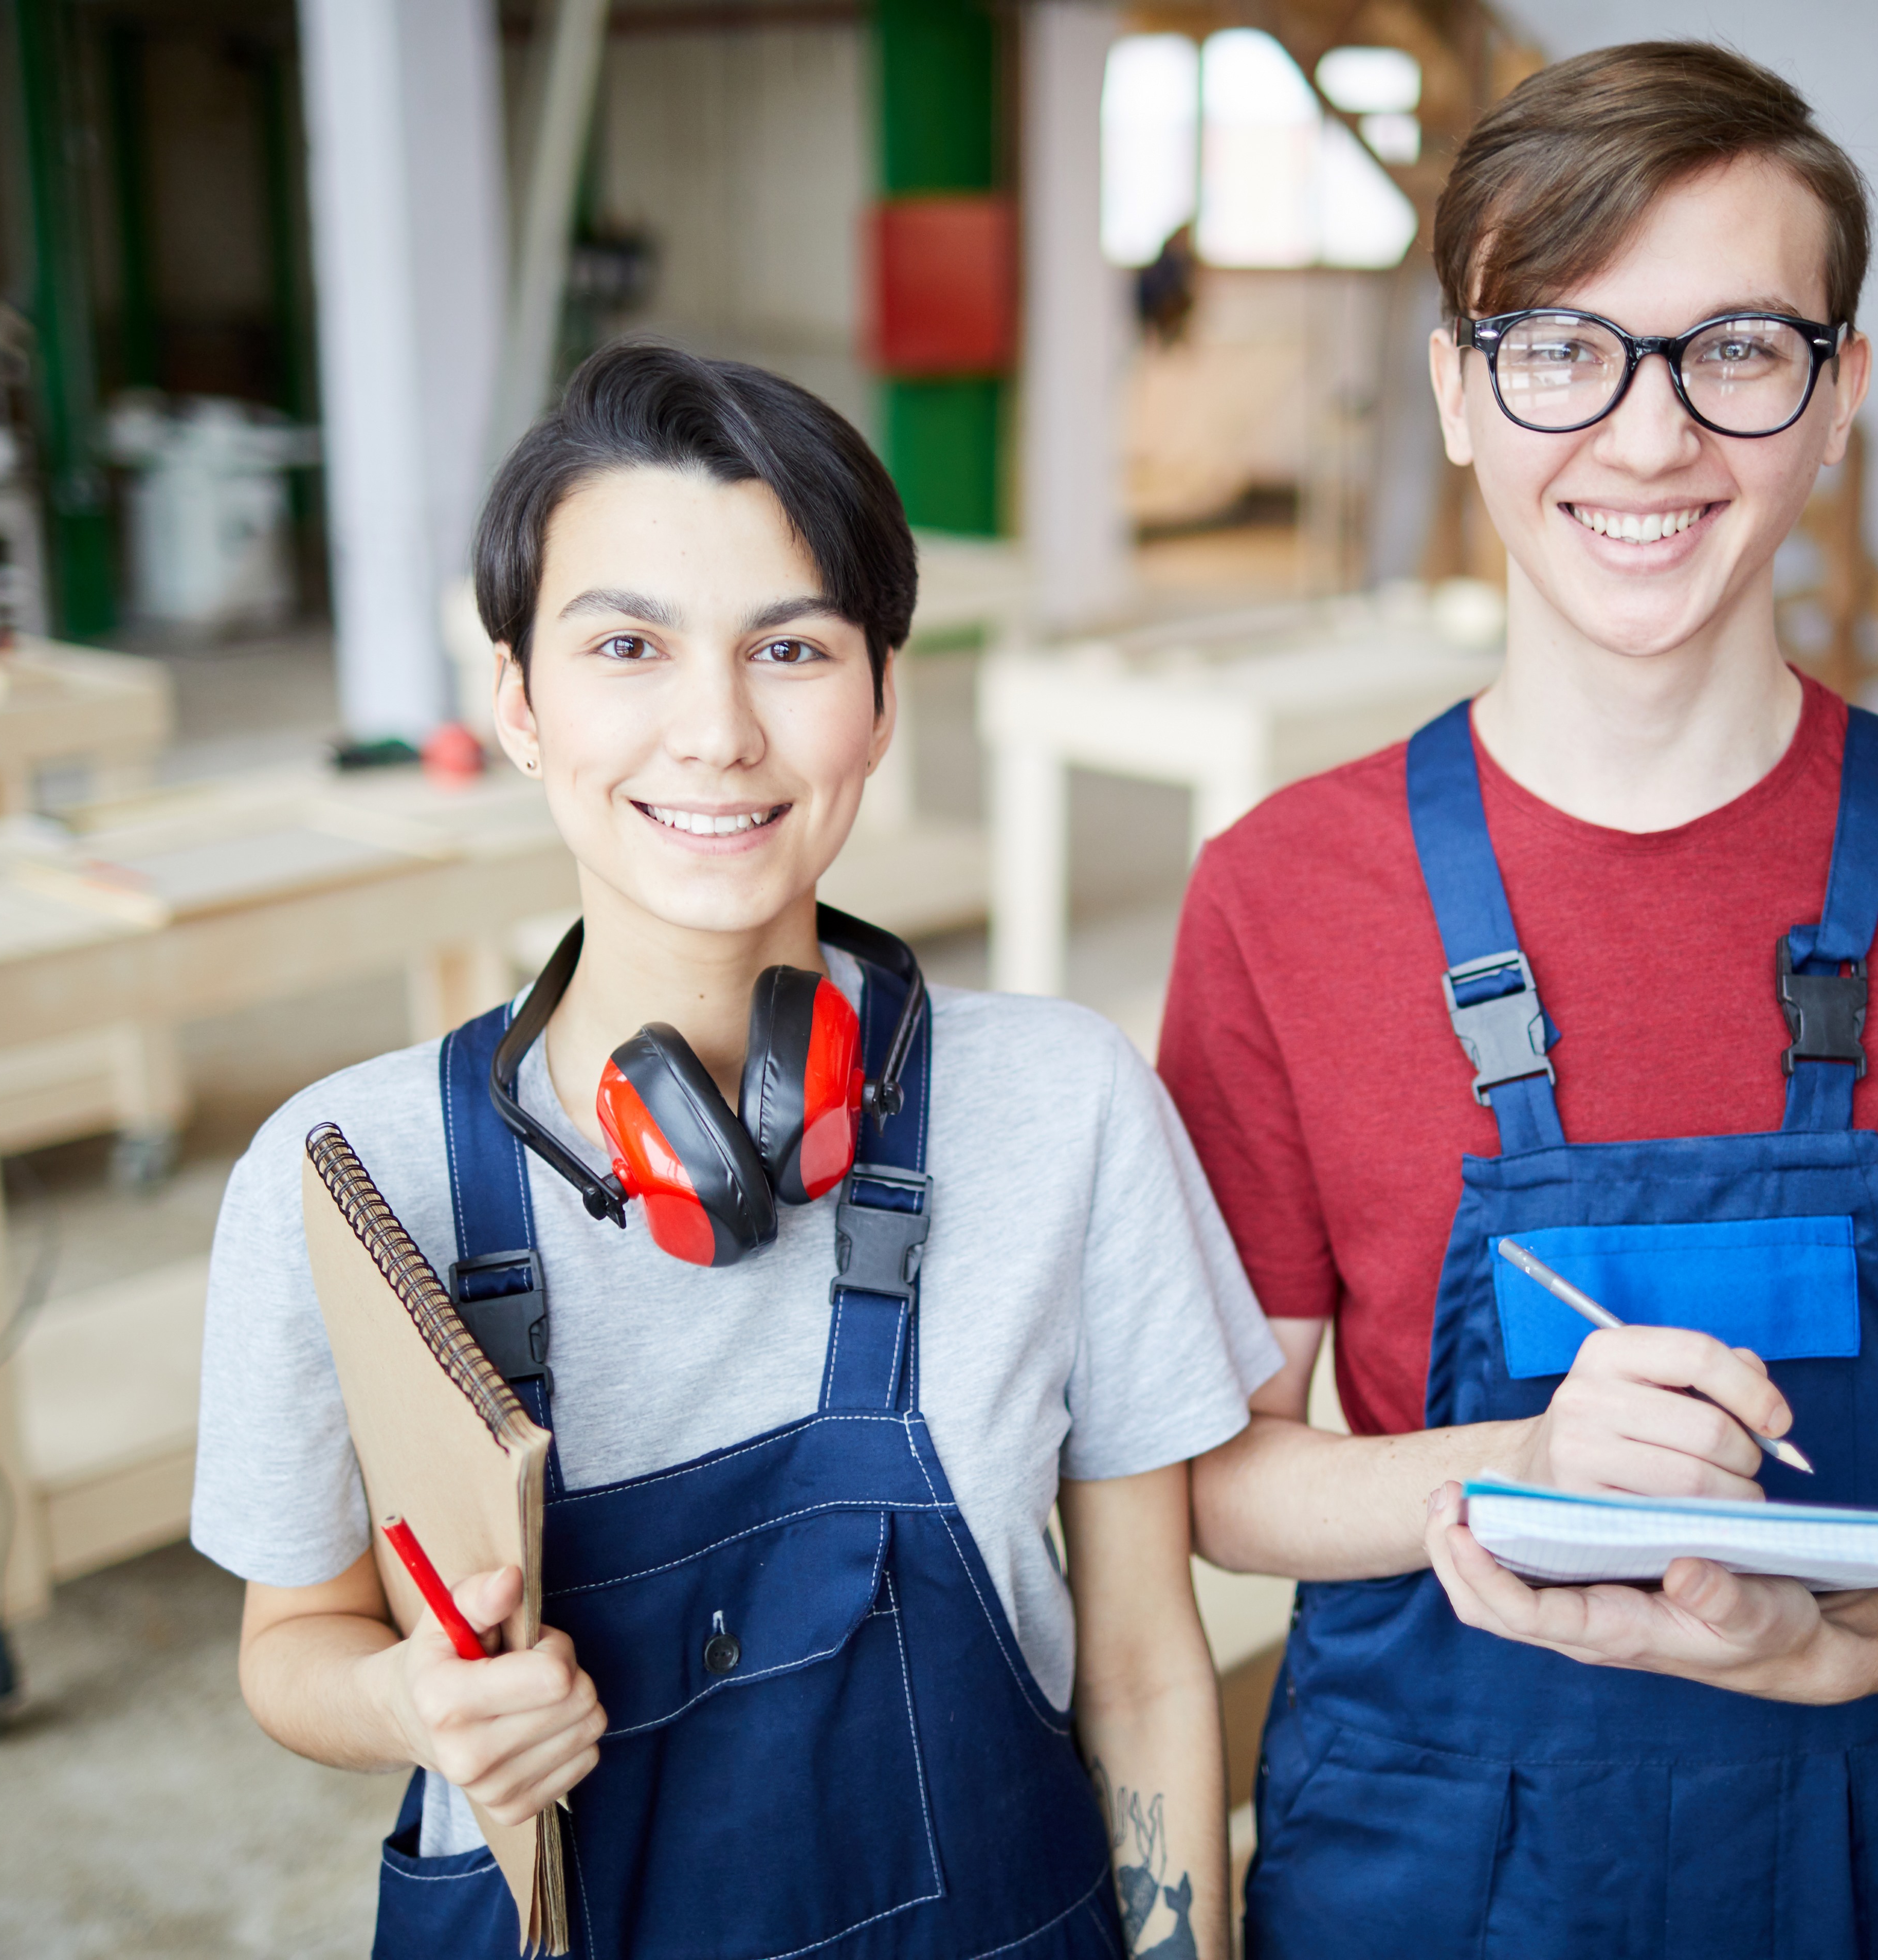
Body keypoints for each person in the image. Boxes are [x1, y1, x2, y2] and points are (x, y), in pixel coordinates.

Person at [1161, 43, 1878, 1959]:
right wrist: (1527, 1466)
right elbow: (1231, 1483)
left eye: (1739, 349)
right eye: (1561, 348)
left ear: (1839, 402)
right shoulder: (1284, 894)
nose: (1649, 439)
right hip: (1432, 1858)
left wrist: (1860, 1656)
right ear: (1458, 394)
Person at [193, 341, 1277, 1958]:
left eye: (790, 648)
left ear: (883, 700)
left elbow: (1142, 1668)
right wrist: (411, 1705)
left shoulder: (1065, 1106)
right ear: (518, 704)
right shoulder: (351, 1176)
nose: (715, 733)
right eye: (627, 644)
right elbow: (291, 1646)